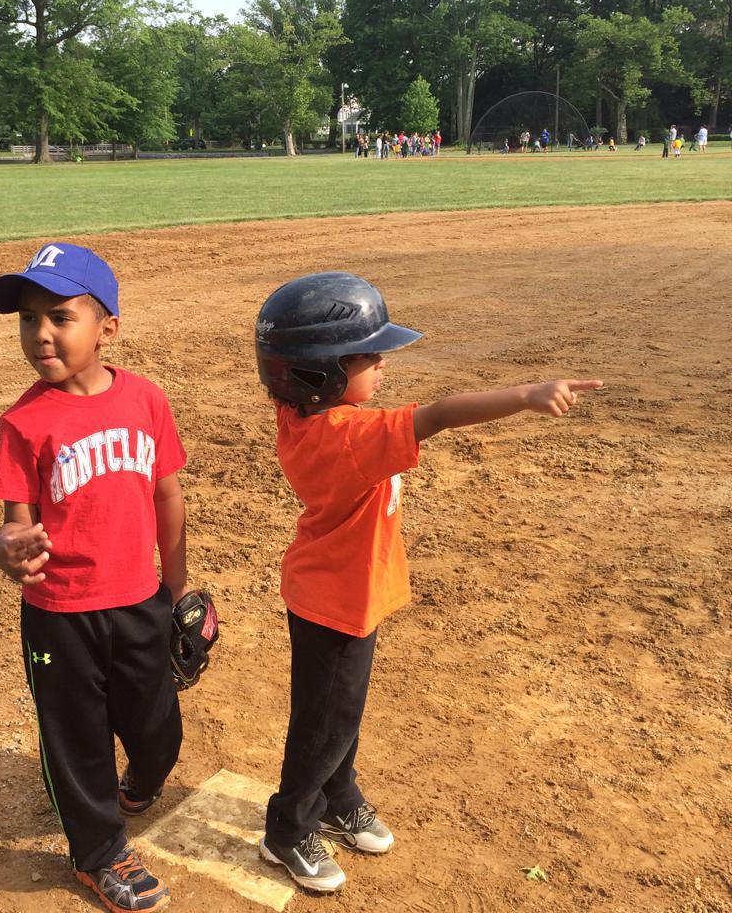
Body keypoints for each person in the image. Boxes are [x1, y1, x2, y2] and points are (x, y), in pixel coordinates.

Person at [253, 272, 602, 894]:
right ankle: (288, 827)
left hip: (343, 592)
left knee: (340, 714)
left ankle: (339, 796)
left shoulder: (304, 416)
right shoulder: (349, 437)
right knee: (324, 723)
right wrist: (526, 393)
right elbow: (439, 415)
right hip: (337, 601)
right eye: (367, 355)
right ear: (319, 372)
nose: (383, 363)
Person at [0, 242, 190, 913]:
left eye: (60, 316)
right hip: (59, 611)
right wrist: (7, 548)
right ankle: (99, 854)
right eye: (26, 319)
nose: (39, 333)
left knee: (159, 731)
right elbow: (17, 526)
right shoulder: (23, 423)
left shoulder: (145, 400)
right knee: (74, 737)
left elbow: (168, 496)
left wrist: (178, 586)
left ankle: (139, 781)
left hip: (139, 601)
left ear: (107, 330)